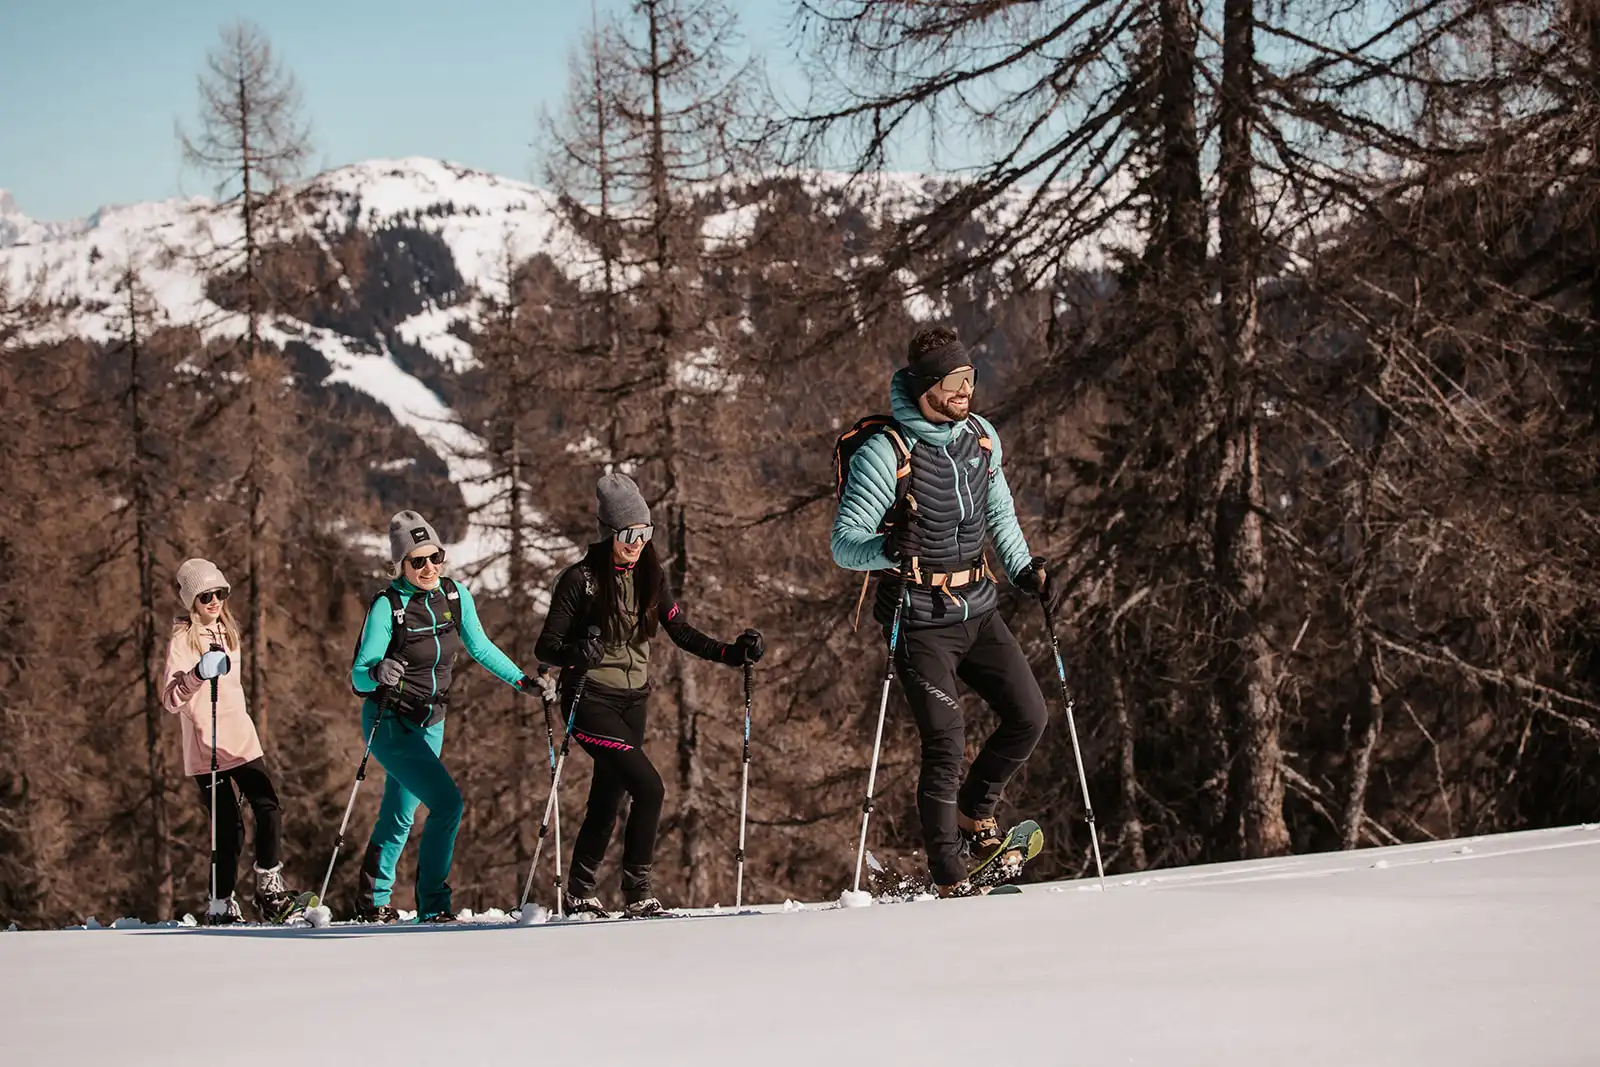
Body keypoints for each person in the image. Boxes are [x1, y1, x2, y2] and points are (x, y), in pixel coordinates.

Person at [831, 325, 1052, 896]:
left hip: (978, 607)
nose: (965, 392)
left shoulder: (980, 438)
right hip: (919, 618)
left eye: (969, 379)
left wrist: (1024, 569)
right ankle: (949, 871)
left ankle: (975, 815)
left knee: (1030, 715)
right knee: (946, 743)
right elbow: (843, 544)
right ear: (928, 385)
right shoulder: (887, 452)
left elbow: (999, 513)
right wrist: (884, 547)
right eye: (955, 382)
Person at [535, 473, 764, 917]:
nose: (637, 542)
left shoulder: (651, 576)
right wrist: (576, 651)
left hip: (633, 701)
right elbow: (547, 646)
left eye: (645, 532)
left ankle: (580, 891)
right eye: (628, 534)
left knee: (610, 792)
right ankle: (638, 892)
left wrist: (732, 653)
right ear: (608, 532)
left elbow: (680, 630)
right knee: (650, 788)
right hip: (589, 700)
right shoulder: (579, 580)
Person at [349, 510, 535, 923]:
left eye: (436, 557)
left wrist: (524, 682)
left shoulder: (453, 596)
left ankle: (371, 902)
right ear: (400, 565)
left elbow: (481, 648)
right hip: (391, 723)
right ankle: (433, 905)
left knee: (400, 814)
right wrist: (377, 671)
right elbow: (359, 675)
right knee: (448, 804)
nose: (430, 567)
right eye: (418, 561)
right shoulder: (387, 607)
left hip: (432, 722)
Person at [162, 557, 299, 924]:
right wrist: (196, 674)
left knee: (269, 807)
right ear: (191, 601)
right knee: (230, 828)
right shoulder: (182, 637)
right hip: (205, 747)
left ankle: (269, 887)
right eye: (206, 596)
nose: (215, 602)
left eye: (220, 593)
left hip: (241, 738)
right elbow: (171, 699)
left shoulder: (229, 631)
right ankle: (221, 903)